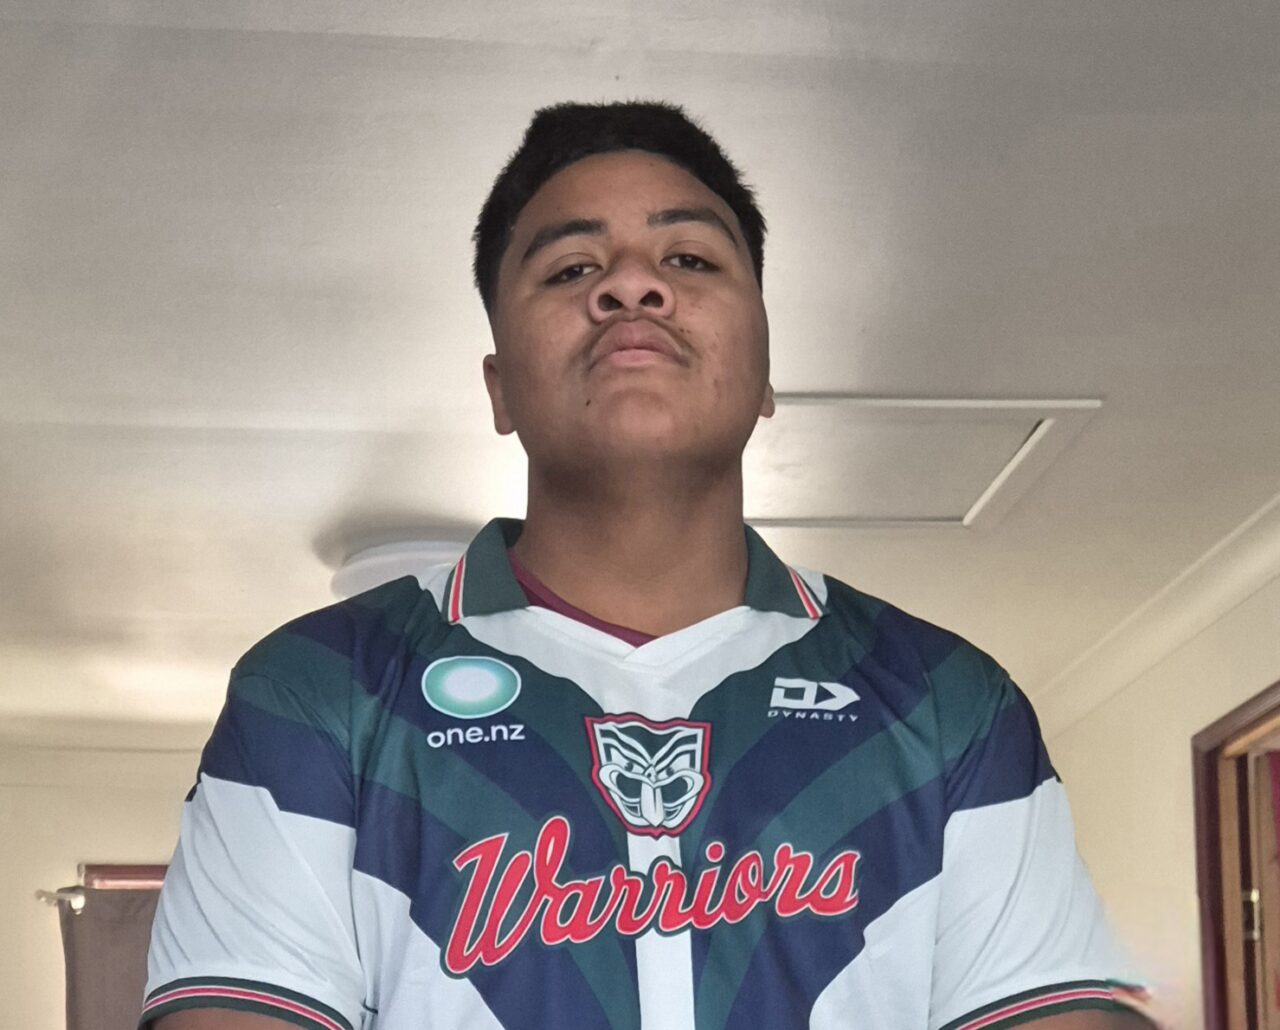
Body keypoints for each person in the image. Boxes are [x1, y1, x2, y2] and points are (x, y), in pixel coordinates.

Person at [142, 101, 1154, 1030]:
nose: (632, 284)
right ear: (499, 389)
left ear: (764, 371)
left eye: (689, 258)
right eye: (570, 269)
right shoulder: (317, 694)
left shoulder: (950, 705)